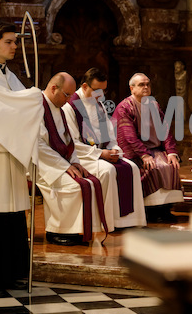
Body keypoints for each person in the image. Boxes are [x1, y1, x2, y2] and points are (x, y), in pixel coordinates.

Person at [0, 20, 43, 296]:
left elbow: (17, 101)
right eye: (9, 41)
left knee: (10, 212)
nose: (15, 46)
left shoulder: (8, 74)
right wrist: (33, 98)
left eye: (16, 41)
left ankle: (8, 271)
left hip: (8, 152)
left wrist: (31, 99)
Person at [36, 72, 116, 245]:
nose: (69, 100)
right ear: (53, 88)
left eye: (71, 95)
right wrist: (63, 166)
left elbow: (69, 141)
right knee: (73, 186)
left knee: (88, 181)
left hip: (59, 162)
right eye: (66, 95)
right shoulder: (37, 107)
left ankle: (78, 231)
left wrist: (74, 162)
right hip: (41, 164)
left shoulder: (58, 107)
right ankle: (56, 231)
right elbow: (37, 145)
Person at [62, 68, 147, 229]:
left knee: (133, 168)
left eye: (104, 90)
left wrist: (113, 149)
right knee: (108, 171)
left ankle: (130, 221)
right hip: (82, 157)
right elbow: (72, 143)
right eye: (97, 90)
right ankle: (108, 221)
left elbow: (109, 134)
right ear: (85, 86)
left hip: (102, 153)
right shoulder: (70, 108)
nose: (101, 95)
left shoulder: (99, 105)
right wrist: (101, 153)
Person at [112, 73, 183, 222]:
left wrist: (171, 152)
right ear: (132, 89)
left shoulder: (153, 105)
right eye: (141, 85)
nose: (145, 87)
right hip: (134, 152)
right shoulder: (125, 107)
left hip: (154, 149)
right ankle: (151, 210)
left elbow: (165, 130)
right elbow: (129, 136)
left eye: (147, 84)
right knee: (154, 167)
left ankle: (165, 208)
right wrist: (144, 155)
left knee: (171, 165)